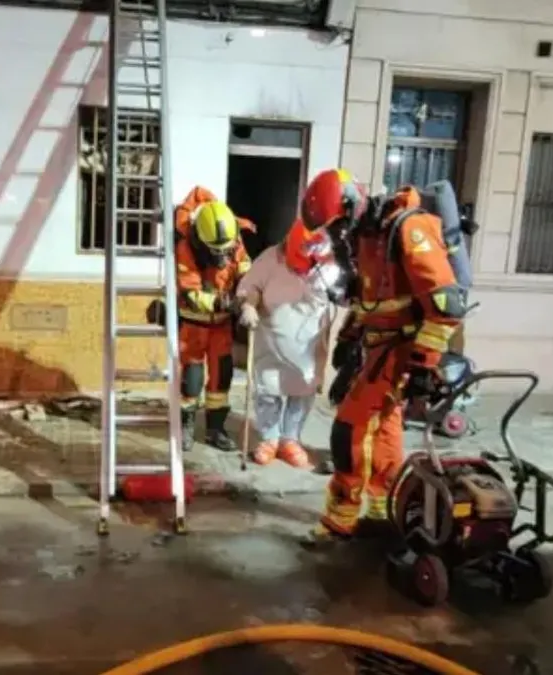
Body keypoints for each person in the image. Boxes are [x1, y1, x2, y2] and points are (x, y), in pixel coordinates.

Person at [299, 170, 467, 547]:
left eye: (340, 223)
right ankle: (381, 511)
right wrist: (350, 337)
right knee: (384, 429)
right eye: (332, 229)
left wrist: (424, 366)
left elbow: (446, 306)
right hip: (379, 350)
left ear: (353, 204)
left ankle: (341, 519)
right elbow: (370, 298)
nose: (338, 234)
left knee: (349, 429)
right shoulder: (366, 238)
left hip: (403, 350)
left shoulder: (408, 228)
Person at [234, 218, 346, 469]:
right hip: (272, 341)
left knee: (303, 392)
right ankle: (269, 438)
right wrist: (249, 305)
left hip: (310, 345)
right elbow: (251, 286)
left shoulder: (330, 264)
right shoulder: (270, 258)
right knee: (268, 391)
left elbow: (344, 296)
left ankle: (290, 439)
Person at [173, 186, 253, 452]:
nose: (222, 256)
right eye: (215, 251)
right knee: (192, 379)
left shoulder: (232, 236)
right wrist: (222, 302)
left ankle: (215, 430)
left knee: (222, 378)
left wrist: (248, 295)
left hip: (221, 327)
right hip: (193, 326)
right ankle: (184, 425)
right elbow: (192, 292)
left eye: (226, 250)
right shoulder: (187, 247)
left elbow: (244, 267)